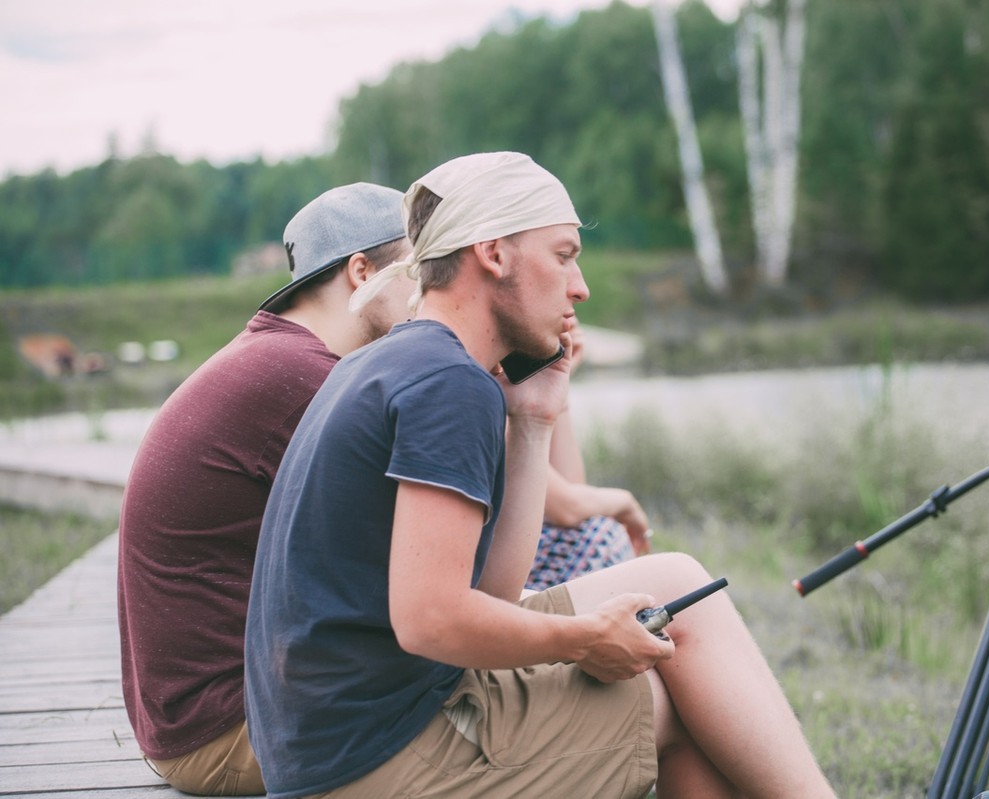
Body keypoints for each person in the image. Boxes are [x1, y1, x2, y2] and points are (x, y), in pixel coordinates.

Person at [244, 151, 836, 798]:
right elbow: (429, 619)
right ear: (494, 252)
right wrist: (583, 639)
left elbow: (490, 598)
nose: (579, 286)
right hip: (375, 761)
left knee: (677, 581)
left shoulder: (403, 360)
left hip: (342, 739)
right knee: (691, 701)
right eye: (563, 255)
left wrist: (533, 418)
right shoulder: (447, 383)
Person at [117, 182, 414, 796]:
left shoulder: (281, 358)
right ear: (363, 272)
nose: (434, 296)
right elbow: (428, 569)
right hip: (232, 731)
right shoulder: (300, 379)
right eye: (422, 271)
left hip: (206, 717)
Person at [527, 315, 653, 590]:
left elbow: (571, 488)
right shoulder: (480, 382)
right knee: (602, 537)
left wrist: (559, 380)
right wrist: (625, 502)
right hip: (475, 587)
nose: (577, 295)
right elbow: (566, 507)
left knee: (596, 534)